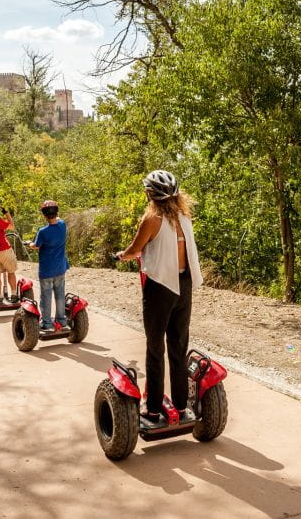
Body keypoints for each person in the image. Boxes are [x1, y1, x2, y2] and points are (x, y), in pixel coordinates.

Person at [115, 170, 203, 427]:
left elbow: (135, 250)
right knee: (178, 347)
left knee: (155, 349)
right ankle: (181, 406)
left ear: (150, 195)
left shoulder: (152, 219)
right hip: (184, 285)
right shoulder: (184, 217)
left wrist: (121, 255)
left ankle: (153, 410)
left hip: (160, 288)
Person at [29, 200, 70, 332]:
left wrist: (30, 244)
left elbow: (36, 245)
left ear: (44, 215)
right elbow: (59, 219)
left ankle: (47, 323)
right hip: (60, 268)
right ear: (56, 212)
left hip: (47, 270)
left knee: (46, 296)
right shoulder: (62, 225)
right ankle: (61, 320)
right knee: (60, 294)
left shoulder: (43, 232)